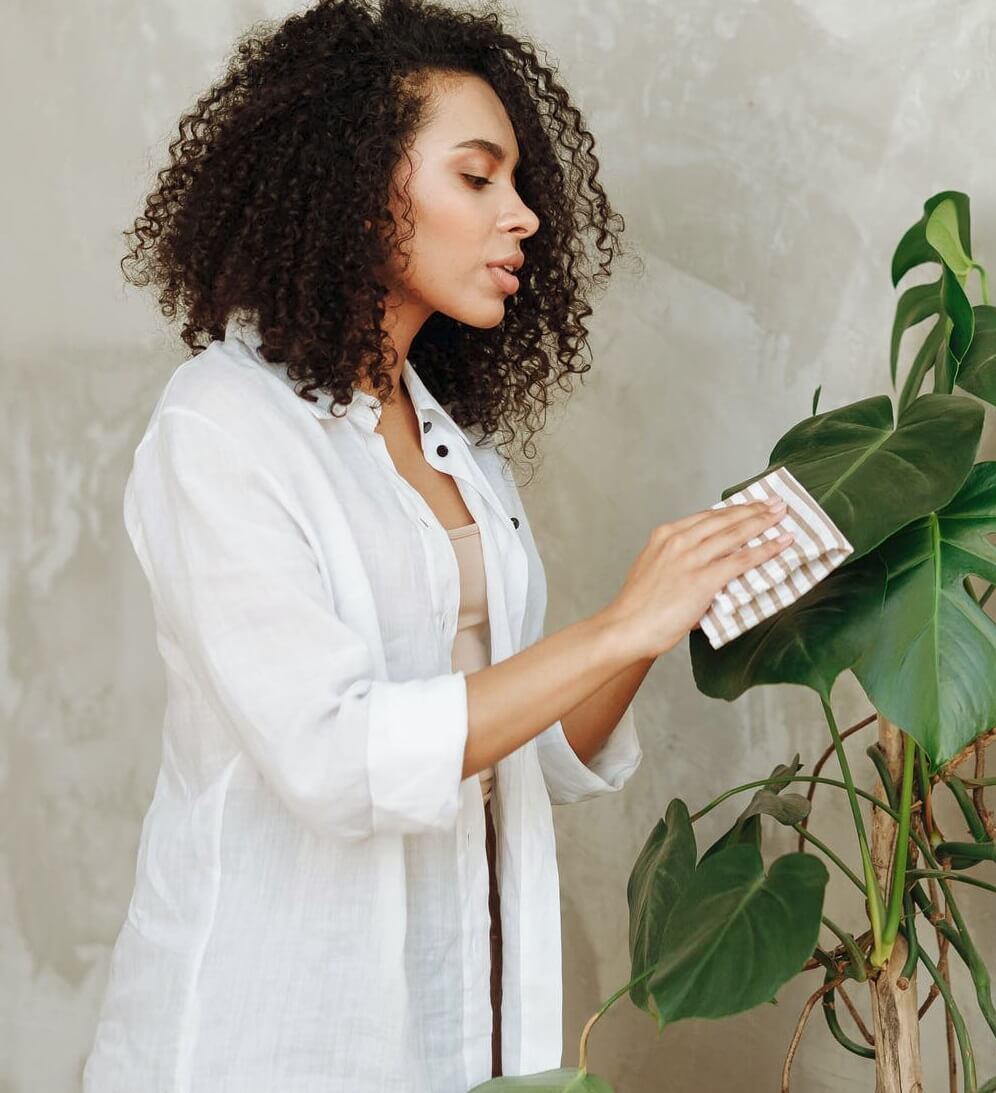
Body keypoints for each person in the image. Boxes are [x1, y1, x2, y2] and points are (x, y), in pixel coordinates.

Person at [82, 1, 795, 1090]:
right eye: (477, 178)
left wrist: (657, 621)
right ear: (356, 182)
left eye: (518, 183)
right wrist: (613, 624)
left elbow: (519, 757)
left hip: (457, 1024)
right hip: (271, 1032)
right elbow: (335, 756)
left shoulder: (459, 454)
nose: (523, 218)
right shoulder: (220, 428)